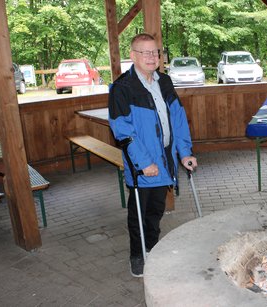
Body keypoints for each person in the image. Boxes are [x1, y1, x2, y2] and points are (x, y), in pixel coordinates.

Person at [108, 33, 197, 277]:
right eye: (145, 52)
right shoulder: (122, 88)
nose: (151, 57)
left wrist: (184, 152)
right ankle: (137, 255)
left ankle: (152, 247)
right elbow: (122, 130)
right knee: (139, 213)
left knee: (156, 211)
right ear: (132, 55)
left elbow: (178, 119)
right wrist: (144, 162)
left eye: (155, 52)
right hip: (142, 165)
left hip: (165, 161)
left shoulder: (165, 82)